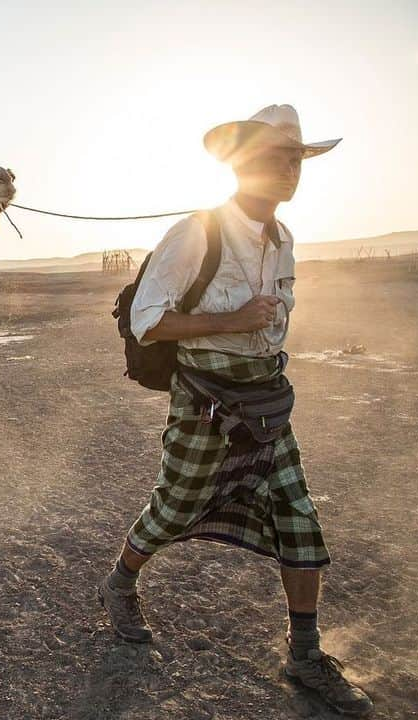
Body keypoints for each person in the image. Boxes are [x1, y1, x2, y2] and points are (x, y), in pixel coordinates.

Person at [98, 105, 374, 717]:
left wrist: (263, 333)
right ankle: (120, 583)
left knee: (299, 517)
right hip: (205, 403)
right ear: (244, 163)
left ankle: (305, 657)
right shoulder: (197, 232)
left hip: (267, 402)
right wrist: (232, 320)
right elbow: (147, 323)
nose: (291, 169)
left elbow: (269, 320)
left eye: (298, 158)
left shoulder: (284, 239)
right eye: (280, 157)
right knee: (174, 508)